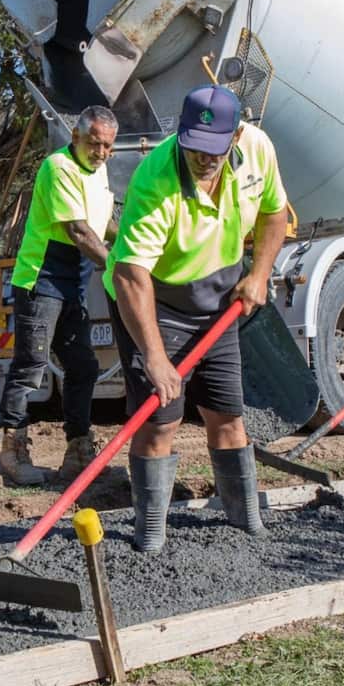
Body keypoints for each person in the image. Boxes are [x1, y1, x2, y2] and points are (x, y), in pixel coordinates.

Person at [105, 84, 288, 551]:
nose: (203, 158)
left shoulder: (258, 149)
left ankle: (246, 524)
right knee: (160, 420)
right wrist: (154, 356)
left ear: (235, 136)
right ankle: (149, 535)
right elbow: (130, 276)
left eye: (214, 149)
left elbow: (273, 213)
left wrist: (260, 275)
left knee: (227, 414)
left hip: (218, 301)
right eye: (194, 148)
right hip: (155, 300)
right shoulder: (155, 179)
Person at [0, 106, 118, 486]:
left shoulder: (99, 170)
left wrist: (131, 243)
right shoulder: (57, 167)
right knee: (31, 367)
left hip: (74, 282)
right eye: (95, 144)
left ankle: (78, 451)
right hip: (43, 278)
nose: (101, 153)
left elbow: (103, 224)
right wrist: (118, 268)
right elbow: (80, 232)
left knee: (82, 366)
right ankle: (13, 450)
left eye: (108, 147)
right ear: (76, 138)